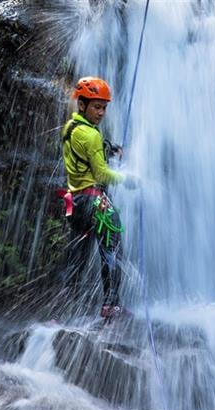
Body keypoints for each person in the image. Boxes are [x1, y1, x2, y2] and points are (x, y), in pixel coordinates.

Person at [60, 76, 137, 318]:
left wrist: (109, 148)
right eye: (97, 106)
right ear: (81, 104)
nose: (102, 112)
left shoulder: (71, 128)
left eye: (104, 107)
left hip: (74, 202)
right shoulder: (91, 135)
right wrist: (129, 180)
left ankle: (65, 307)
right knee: (113, 251)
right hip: (96, 201)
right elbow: (101, 172)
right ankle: (111, 305)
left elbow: (86, 149)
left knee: (78, 255)